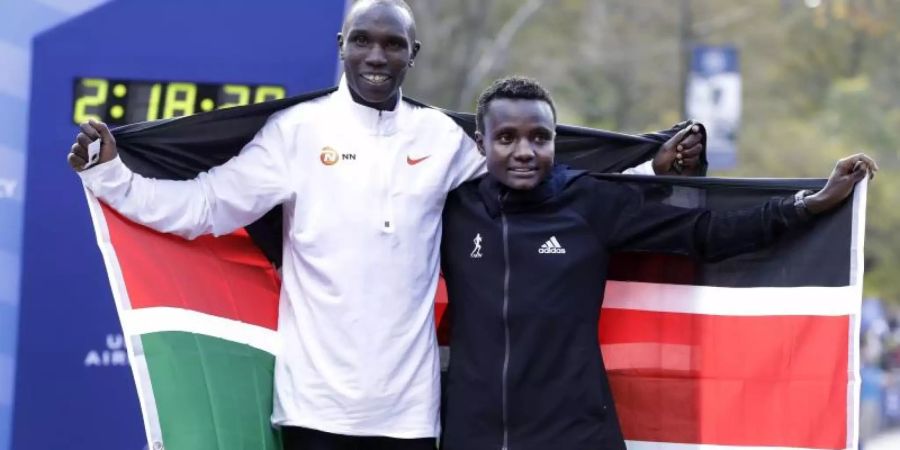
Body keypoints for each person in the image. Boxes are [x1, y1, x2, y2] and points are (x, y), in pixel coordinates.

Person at [66, 2, 703, 449]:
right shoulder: (296, 134)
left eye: (393, 43)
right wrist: (112, 176)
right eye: (363, 40)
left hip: (410, 414)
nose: (377, 54)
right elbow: (204, 207)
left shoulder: (440, 138)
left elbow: (539, 176)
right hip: (314, 407)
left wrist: (647, 164)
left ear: (412, 55)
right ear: (339, 47)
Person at [438, 76, 878, 450]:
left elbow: (704, 232)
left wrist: (807, 205)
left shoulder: (590, 203)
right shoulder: (451, 210)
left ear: (555, 141)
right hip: (470, 433)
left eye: (539, 137)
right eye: (506, 137)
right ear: (480, 143)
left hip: (574, 433)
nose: (524, 151)